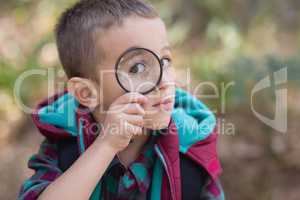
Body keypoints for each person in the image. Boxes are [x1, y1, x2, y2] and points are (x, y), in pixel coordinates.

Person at [17, 0, 225, 199]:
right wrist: (106, 146)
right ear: (87, 93)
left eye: (165, 60)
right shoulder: (64, 145)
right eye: (138, 68)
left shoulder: (192, 150)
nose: (164, 81)